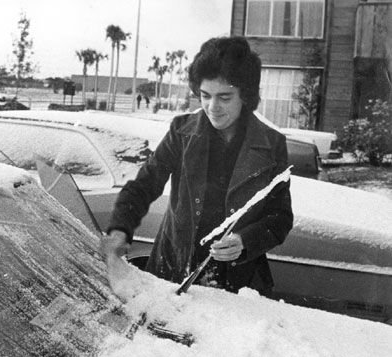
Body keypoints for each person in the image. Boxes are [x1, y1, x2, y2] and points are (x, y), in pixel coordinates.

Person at [101, 36, 293, 296]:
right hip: (173, 273)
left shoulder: (273, 144)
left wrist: (245, 241)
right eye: (205, 96)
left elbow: (280, 217)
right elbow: (144, 185)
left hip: (239, 285)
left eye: (224, 98)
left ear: (245, 96)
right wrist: (119, 229)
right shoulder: (181, 133)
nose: (213, 107)